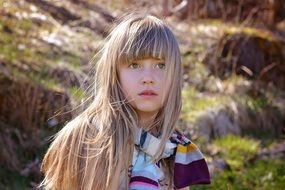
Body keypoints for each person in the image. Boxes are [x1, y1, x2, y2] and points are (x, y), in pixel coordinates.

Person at [40, 12, 210, 190]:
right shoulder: (93, 138)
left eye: (161, 65)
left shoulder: (172, 150)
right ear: (115, 74)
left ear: (175, 76)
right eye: (134, 65)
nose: (148, 78)